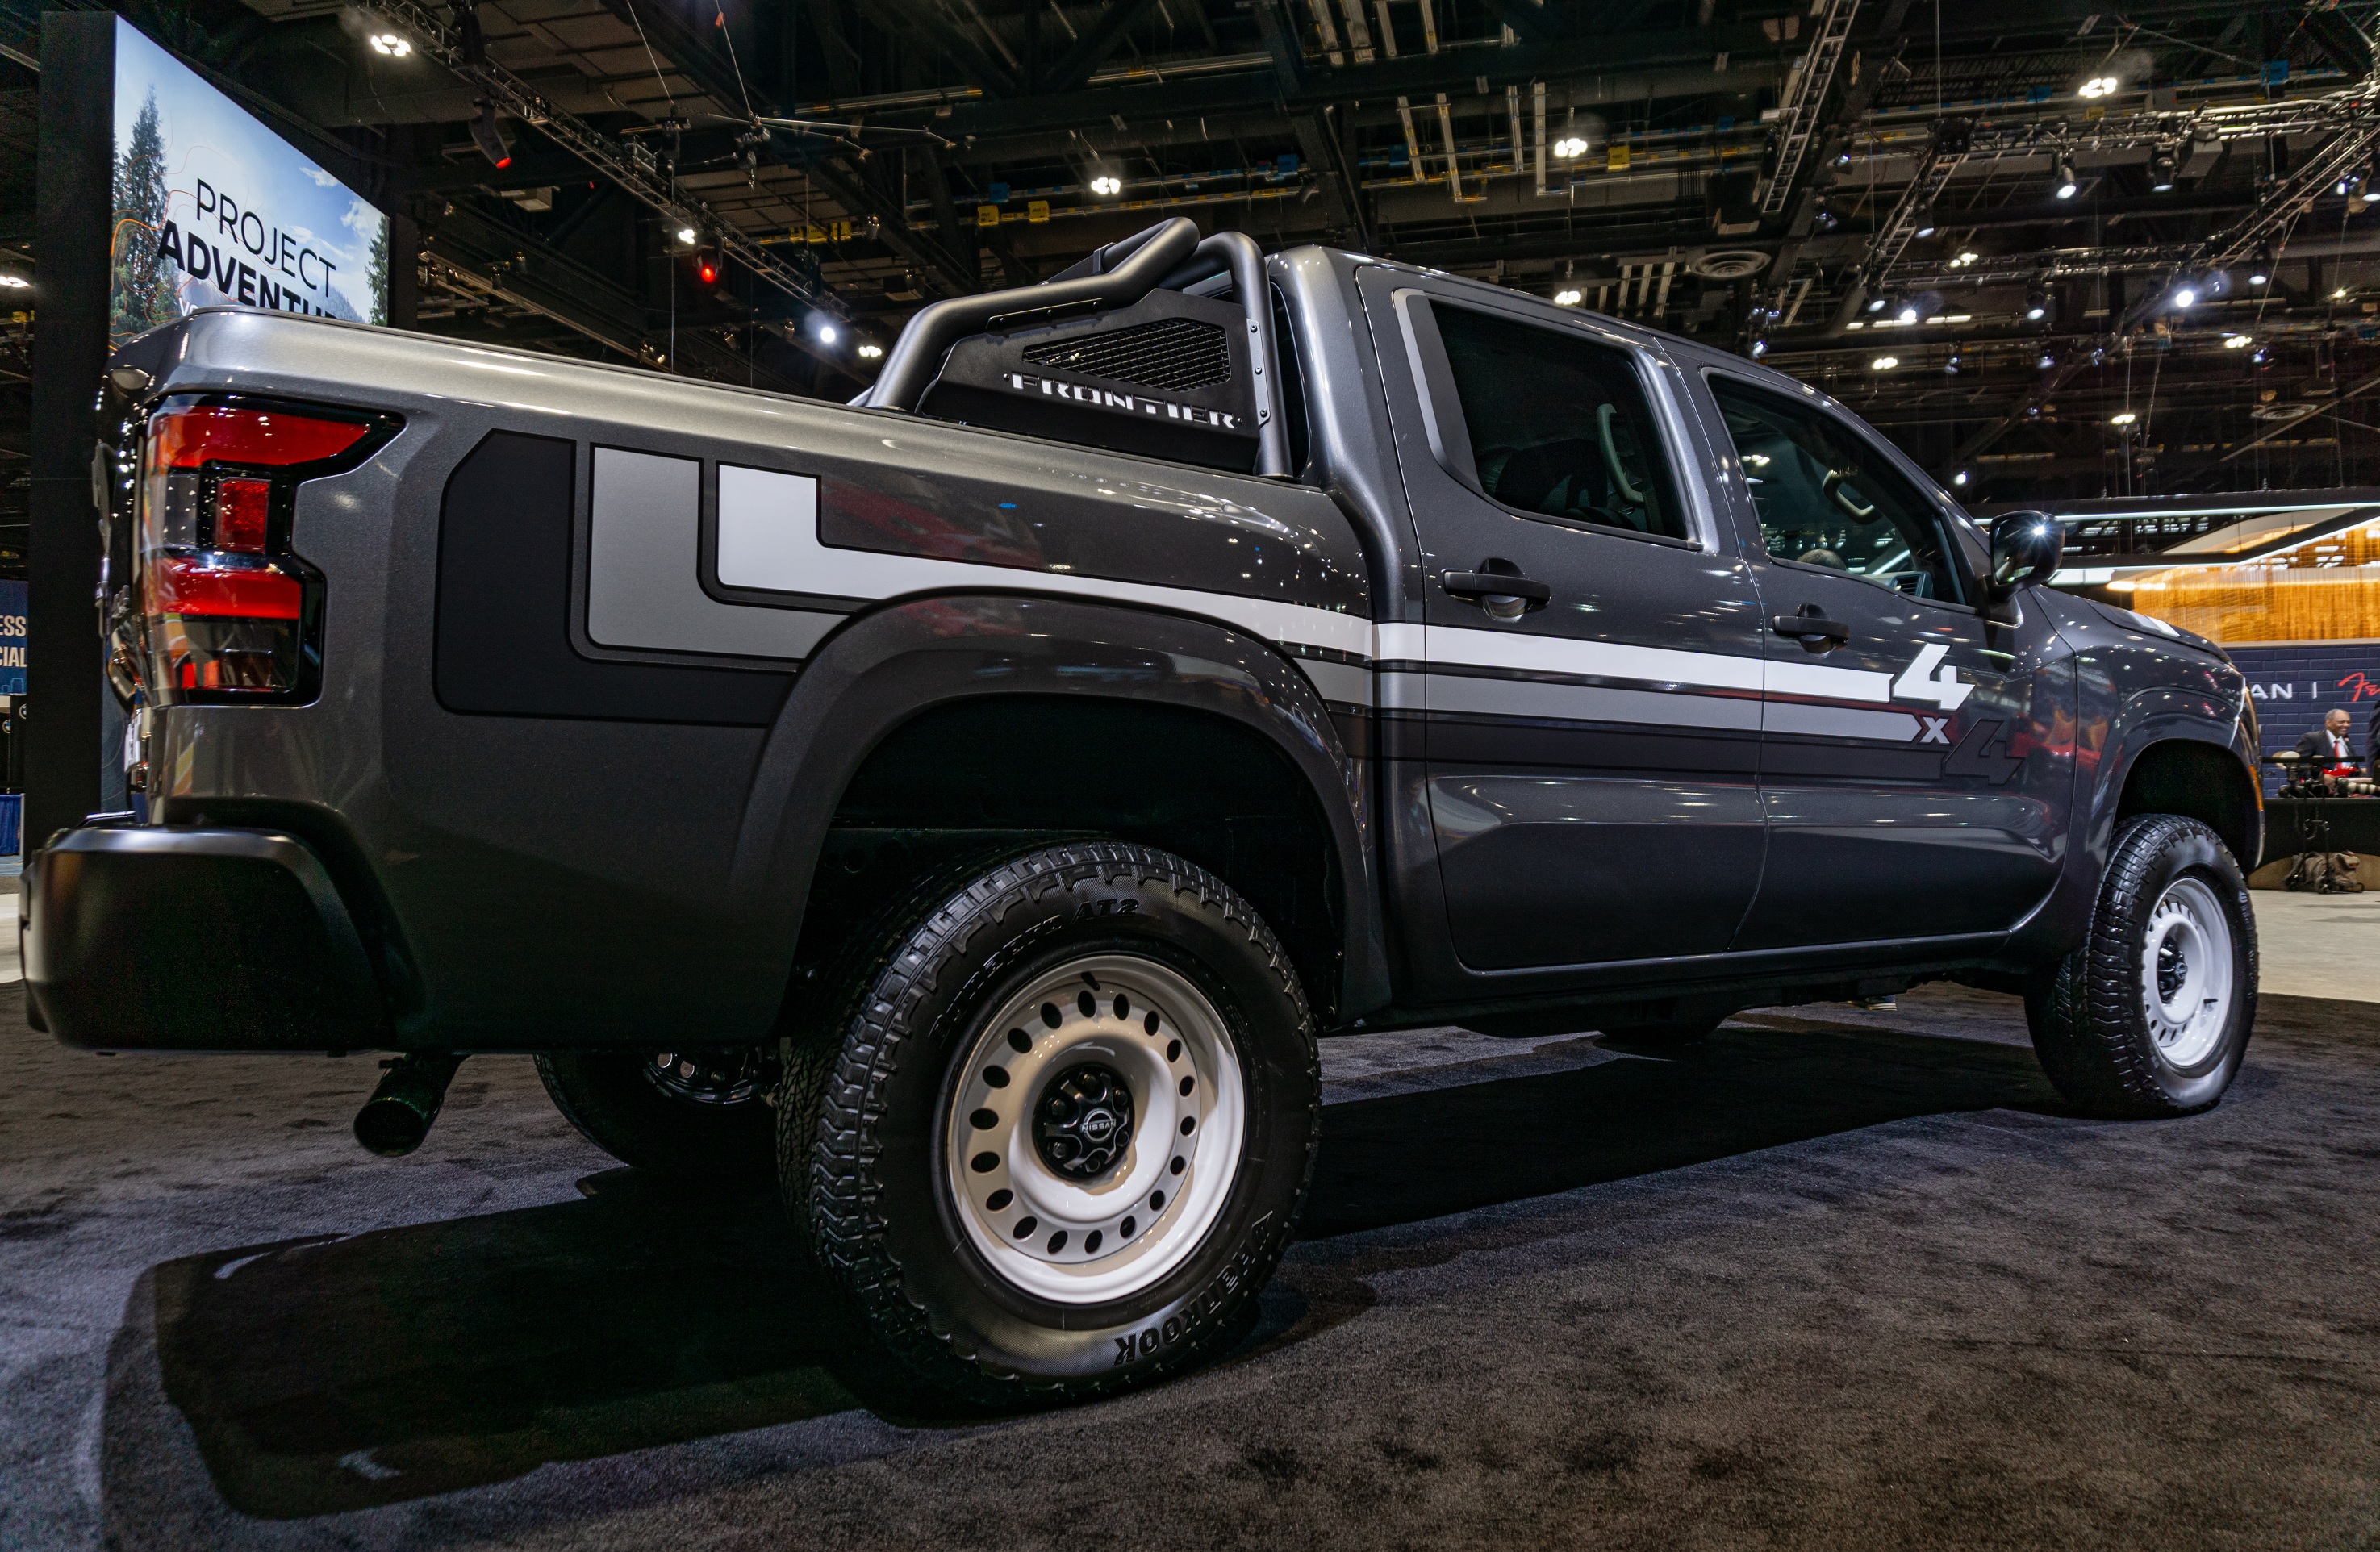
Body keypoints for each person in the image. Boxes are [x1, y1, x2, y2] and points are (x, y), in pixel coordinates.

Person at [2296, 707, 2360, 772]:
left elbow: (2354, 766)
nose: (2346, 725)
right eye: (2341, 722)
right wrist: (2321, 778)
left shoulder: (2346, 741)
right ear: (2328, 723)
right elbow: (2301, 765)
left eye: (2348, 722)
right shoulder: (2311, 739)